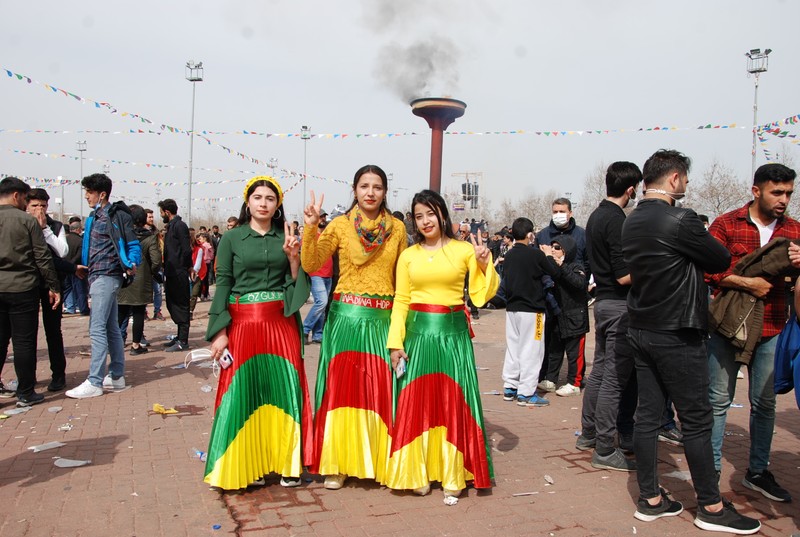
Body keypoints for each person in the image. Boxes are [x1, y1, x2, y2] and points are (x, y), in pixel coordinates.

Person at [623, 149, 760, 534]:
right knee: (697, 421)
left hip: (642, 327)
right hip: (677, 331)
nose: (686, 184)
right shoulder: (680, 218)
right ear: (674, 178)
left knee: (647, 415)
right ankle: (712, 506)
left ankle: (650, 498)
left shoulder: (631, 221)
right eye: (685, 178)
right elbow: (718, 259)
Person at [386, 189, 498, 499]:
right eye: (418, 216)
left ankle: (453, 473)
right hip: (417, 337)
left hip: (453, 338)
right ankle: (416, 471)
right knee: (417, 402)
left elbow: (479, 295)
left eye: (430, 214)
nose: (425, 221)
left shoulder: (464, 250)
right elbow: (401, 300)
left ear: (442, 214)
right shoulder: (408, 256)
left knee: (452, 401)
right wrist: (396, 344)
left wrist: (484, 264)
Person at [301, 164, 407, 491]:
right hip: (345, 319)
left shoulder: (398, 229)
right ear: (354, 189)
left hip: (382, 320)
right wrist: (311, 227)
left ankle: (381, 461)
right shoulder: (339, 226)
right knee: (342, 391)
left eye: (377, 186)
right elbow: (310, 262)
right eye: (364, 186)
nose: (370, 192)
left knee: (380, 391)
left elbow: (404, 279)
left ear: (385, 192)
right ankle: (337, 463)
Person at [204, 176, 311, 490]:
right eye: (258, 197)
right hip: (242, 326)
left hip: (280, 325)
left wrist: (294, 258)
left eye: (270, 198)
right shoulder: (232, 239)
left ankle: (288, 464)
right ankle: (242, 464)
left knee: (284, 389)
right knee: (243, 391)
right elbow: (222, 283)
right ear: (248, 201)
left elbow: (296, 286)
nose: (264, 203)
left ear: (277, 205)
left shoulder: (286, 237)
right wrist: (219, 332)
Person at [705, 162, 800, 503]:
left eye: (788, 192)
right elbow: (708, 271)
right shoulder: (726, 224)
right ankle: (710, 473)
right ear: (756, 190)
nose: (783, 199)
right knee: (717, 402)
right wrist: (748, 282)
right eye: (777, 192)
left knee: (765, 403)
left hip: (773, 326)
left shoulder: (794, 231)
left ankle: (758, 471)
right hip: (728, 328)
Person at [576, 162, 641, 472]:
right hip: (618, 305)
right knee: (614, 379)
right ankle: (604, 446)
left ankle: (589, 433)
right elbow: (623, 275)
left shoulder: (596, 216)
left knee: (601, 372)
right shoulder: (616, 220)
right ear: (630, 189)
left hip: (603, 304)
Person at [66, 173, 141, 399]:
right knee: (110, 328)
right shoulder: (93, 218)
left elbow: (132, 244)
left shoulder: (118, 215)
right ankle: (116, 376)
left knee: (96, 328)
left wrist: (132, 262)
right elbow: (89, 246)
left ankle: (94, 381)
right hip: (96, 275)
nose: (86, 196)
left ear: (102, 194)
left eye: (89, 192)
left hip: (108, 276)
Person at [0, 178, 60, 405]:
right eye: (26, 199)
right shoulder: (27, 222)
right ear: (16, 196)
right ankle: (26, 392)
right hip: (23, 287)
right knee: (24, 342)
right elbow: (42, 257)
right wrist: (53, 286)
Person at [26, 188, 84, 392]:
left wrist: (44, 230)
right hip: (28, 285)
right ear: (26, 206)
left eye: (42, 206)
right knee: (27, 334)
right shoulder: (21, 224)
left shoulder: (55, 226)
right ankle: (27, 377)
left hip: (52, 284)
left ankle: (58, 375)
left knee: (53, 331)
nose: (39, 210)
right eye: (34, 206)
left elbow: (62, 252)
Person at [500, 217, 559, 407]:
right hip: (533, 311)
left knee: (514, 348)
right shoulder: (536, 255)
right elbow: (554, 272)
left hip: (512, 309)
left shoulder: (509, 255)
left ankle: (510, 386)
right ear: (530, 234)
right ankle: (526, 392)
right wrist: (549, 255)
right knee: (532, 350)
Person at [541, 235, 589, 397]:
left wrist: (562, 266)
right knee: (554, 350)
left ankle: (574, 382)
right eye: (552, 247)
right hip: (558, 317)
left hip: (575, 317)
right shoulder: (552, 268)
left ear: (566, 251)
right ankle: (551, 379)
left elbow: (579, 283)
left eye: (557, 248)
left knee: (575, 353)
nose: (553, 250)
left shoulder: (576, 266)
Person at [117, 205, 162, 355]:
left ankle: (117, 342)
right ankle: (136, 345)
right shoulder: (149, 237)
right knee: (138, 312)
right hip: (141, 279)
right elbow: (156, 260)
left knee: (121, 311)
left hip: (122, 278)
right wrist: (151, 272)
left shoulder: (121, 235)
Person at [158, 198, 192, 352]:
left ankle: (183, 340)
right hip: (171, 272)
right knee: (172, 304)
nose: (161, 216)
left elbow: (186, 249)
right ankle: (179, 336)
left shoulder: (180, 226)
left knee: (181, 305)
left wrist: (187, 267)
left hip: (179, 272)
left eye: (161, 213)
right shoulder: (171, 227)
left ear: (167, 212)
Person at [62, 221, 87, 315]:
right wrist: (72, 264)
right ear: (78, 229)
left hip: (65, 267)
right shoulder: (80, 240)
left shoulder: (65, 239)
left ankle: (70, 308)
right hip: (77, 268)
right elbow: (79, 254)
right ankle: (83, 309)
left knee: (67, 289)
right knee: (80, 290)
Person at [188, 229, 206, 320]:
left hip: (197, 274)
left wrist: (194, 271)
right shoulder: (182, 248)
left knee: (194, 294)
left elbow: (198, 263)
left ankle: (190, 311)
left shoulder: (199, 249)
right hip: (185, 274)